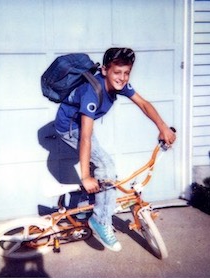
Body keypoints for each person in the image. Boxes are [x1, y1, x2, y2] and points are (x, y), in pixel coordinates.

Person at [54, 47, 176, 252]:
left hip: (80, 124)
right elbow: (85, 138)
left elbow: (143, 104)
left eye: (126, 72)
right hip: (69, 128)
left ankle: (85, 204)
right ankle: (100, 221)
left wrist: (162, 127)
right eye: (117, 72)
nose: (122, 78)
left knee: (101, 170)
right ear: (104, 71)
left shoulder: (120, 84)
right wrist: (85, 176)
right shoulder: (92, 93)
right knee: (105, 166)